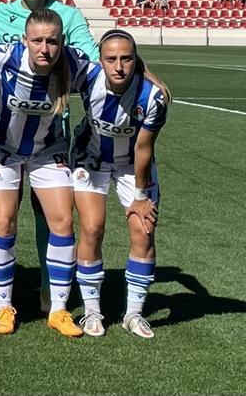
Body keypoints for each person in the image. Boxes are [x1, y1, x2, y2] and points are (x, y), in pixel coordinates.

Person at [0, 0, 99, 312]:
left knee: (50, 212)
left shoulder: (69, 16)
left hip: (51, 132)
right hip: (4, 132)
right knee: (3, 213)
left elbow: (95, 61)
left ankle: (50, 290)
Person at [73, 30, 169, 339]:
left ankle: (134, 314)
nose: (118, 66)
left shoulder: (153, 97)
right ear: (100, 60)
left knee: (144, 231)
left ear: (136, 60)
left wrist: (141, 196)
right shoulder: (87, 76)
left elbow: (143, 149)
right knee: (91, 228)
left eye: (126, 58)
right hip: (90, 159)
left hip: (132, 165)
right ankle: (91, 311)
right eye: (111, 59)